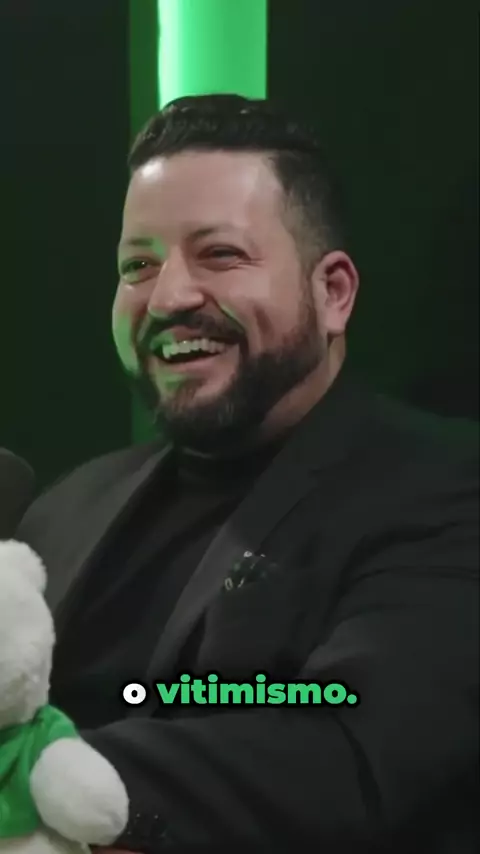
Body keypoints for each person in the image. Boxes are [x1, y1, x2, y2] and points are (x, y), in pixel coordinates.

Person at [16, 95, 479, 853]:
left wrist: (34, 780)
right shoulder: (68, 504)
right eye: (138, 265)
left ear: (333, 293)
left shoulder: (445, 488)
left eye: (221, 255)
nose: (169, 296)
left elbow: (346, 748)